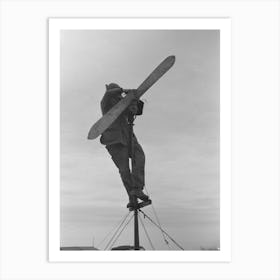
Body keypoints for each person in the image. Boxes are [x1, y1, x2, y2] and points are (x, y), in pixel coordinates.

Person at [100, 83, 150, 208]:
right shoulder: (106, 103)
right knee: (124, 170)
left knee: (140, 157)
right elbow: (108, 94)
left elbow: (136, 111)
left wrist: (134, 100)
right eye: (117, 94)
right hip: (114, 140)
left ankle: (137, 188)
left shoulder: (123, 104)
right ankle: (132, 198)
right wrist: (124, 90)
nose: (118, 96)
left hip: (128, 136)